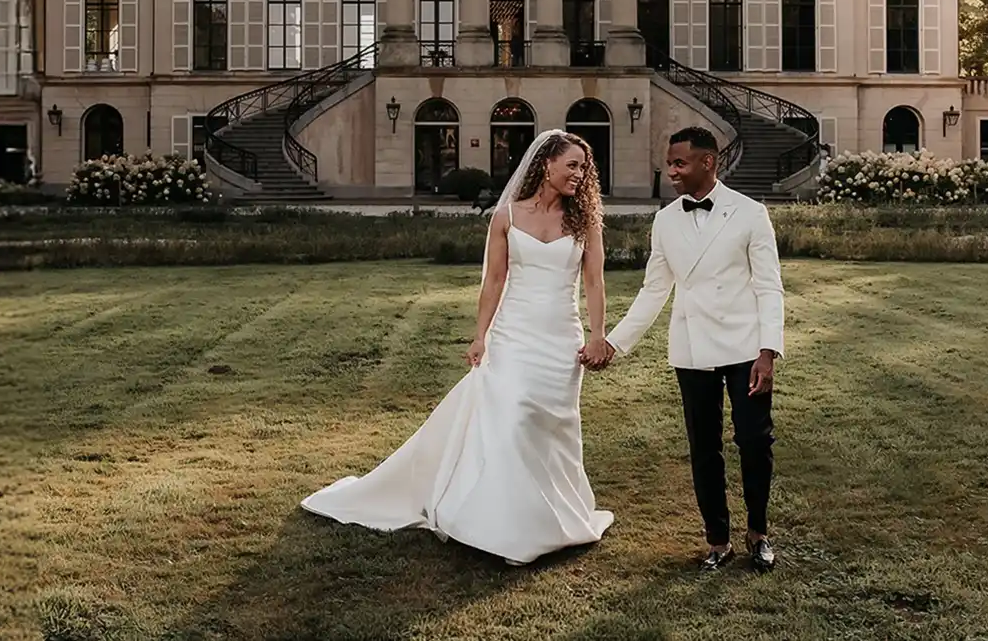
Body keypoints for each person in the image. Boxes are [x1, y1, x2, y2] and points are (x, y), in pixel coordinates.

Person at [300, 128, 617, 565]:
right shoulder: (506, 215)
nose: (580, 175)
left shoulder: (586, 221)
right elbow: (494, 280)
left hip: (561, 339)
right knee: (513, 421)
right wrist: (480, 334)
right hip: (513, 336)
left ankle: (553, 516)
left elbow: (595, 282)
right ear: (546, 165)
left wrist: (599, 333)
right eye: (573, 165)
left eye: (585, 168)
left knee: (552, 429)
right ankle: (509, 527)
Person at [588, 126, 785, 572]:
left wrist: (768, 350)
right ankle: (717, 540)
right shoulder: (666, 220)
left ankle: (758, 532)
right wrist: (614, 343)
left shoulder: (751, 213)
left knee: (754, 441)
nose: (671, 171)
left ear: (707, 162)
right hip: (692, 348)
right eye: (670, 163)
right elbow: (654, 291)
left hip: (745, 347)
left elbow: (769, 287)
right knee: (704, 446)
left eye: (679, 163)